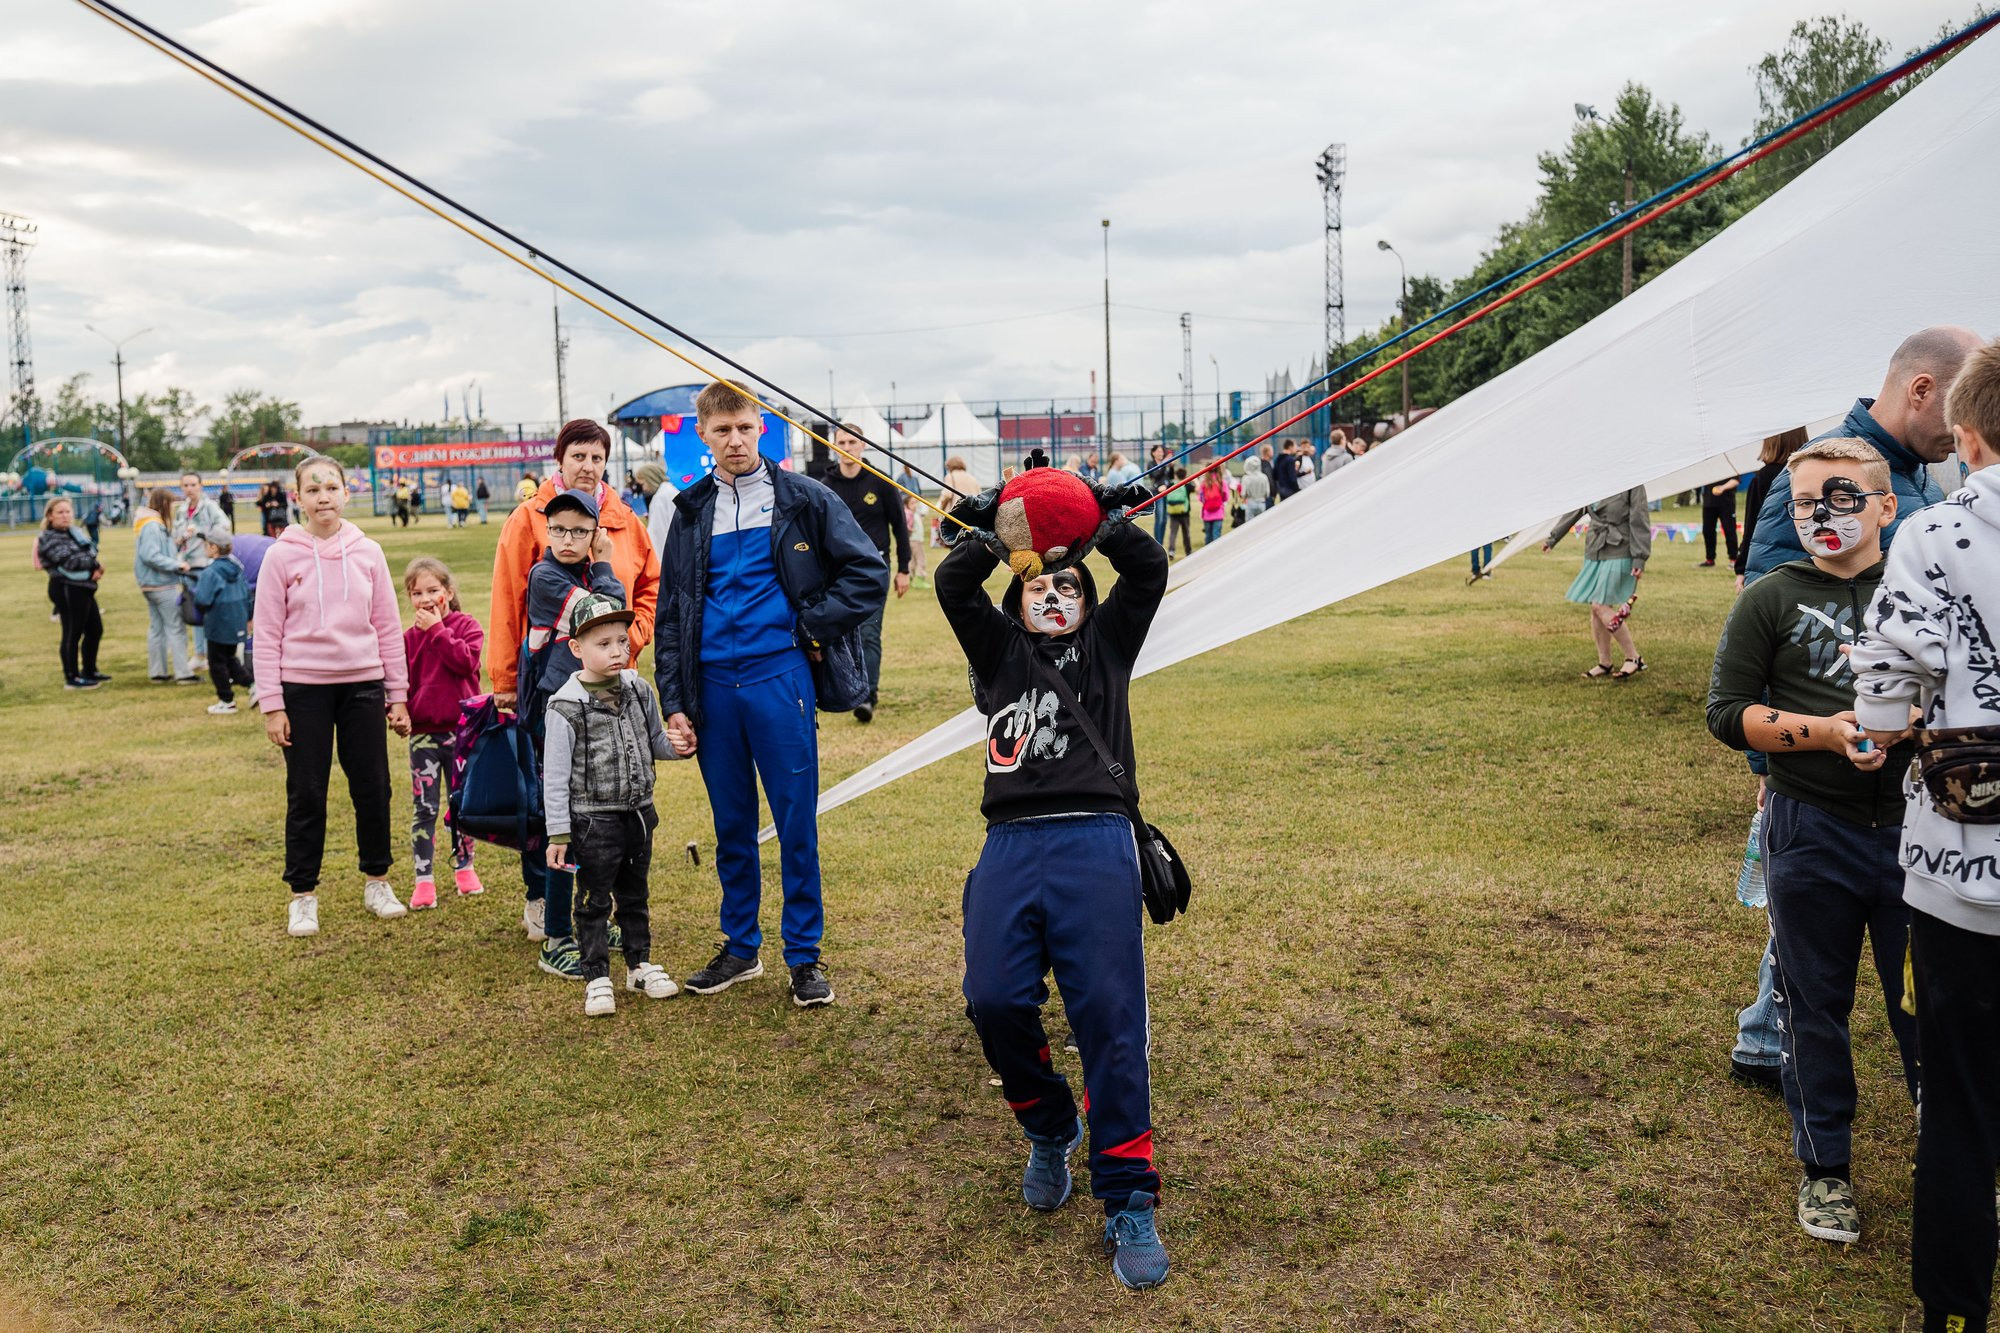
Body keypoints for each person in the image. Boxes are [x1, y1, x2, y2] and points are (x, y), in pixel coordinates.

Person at [934, 481, 1173, 1290]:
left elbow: (1147, 571)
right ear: (1020, 596)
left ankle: (1128, 1196)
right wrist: (998, 529)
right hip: (1010, 841)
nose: (1054, 594)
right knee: (992, 997)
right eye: (1040, 584)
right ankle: (1048, 1123)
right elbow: (950, 583)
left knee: (1108, 1015)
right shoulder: (996, 650)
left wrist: (1094, 518)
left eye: (1067, 585)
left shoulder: (1111, 643)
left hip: (1097, 838)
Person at [1706, 436, 1920, 1247]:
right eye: (1803, 504)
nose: (1820, 516)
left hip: (1916, 830)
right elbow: (1728, 711)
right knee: (1814, 1005)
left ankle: (1952, 1154)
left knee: (1926, 1002)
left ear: (1886, 506)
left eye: (1841, 498)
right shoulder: (1768, 597)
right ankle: (1826, 1169)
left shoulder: (1921, 589)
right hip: (1809, 829)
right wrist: (1822, 734)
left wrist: (1915, 728)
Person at [1851, 339, 2000, 1333]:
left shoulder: (1934, 532)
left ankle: (1948, 1312)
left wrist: (1879, 729)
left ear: (1965, 431)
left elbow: (1880, 694)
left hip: (1965, 873)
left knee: (1956, 1104)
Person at [654, 380, 885, 1009]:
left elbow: (869, 573)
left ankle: (804, 957)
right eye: (722, 430)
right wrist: (673, 697)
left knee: (794, 823)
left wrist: (810, 623)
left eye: (745, 428)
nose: (734, 440)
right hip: (712, 690)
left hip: (779, 681)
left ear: (763, 430)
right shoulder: (689, 509)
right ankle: (740, 947)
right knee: (732, 824)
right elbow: (671, 611)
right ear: (702, 434)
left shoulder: (805, 498)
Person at [489, 420, 661, 949]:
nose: (587, 466)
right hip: (554, 686)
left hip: (612, 684)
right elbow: (508, 601)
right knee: (551, 796)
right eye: (577, 456)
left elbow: (651, 586)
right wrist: (504, 678)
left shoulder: (624, 520)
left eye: (596, 457)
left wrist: (628, 641)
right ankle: (543, 900)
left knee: (601, 796)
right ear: (558, 460)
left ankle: (594, 903)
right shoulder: (531, 518)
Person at [254, 456, 413, 938]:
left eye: (332, 487)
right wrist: (272, 704)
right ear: (297, 498)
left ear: (347, 493)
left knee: (374, 787)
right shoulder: (281, 555)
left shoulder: (368, 552)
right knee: (306, 793)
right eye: (313, 489)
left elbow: (387, 626)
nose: (324, 496)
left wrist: (397, 694)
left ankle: (377, 881)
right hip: (303, 689)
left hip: (362, 684)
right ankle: (303, 896)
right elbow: (266, 632)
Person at [543, 593, 691, 1017]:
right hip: (593, 821)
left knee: (634, 894)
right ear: (577, 648)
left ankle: (639, 965)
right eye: (602, 643)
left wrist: (677, 747)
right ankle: (596, 976)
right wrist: (558, 832)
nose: (616, 652)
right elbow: (554, 776)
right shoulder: (564, 705)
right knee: (593, 900)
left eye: (621, 642)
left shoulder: (640, 690)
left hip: (640, 814)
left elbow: (654, 741)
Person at [1742, 327, 1985, 580]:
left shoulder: (1922, 475)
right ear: (1921, 390)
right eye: (1964, 409)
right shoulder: (1818, 467)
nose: (1966, 430)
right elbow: (1765, 599)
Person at [517, 488, 629, 978]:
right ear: (546, 530)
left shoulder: (584, 573)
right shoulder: (544, 575)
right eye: (558, 528)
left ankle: (592, 920)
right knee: (563, 816)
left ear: (594, 533)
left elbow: (617, 623)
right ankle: (557, 934)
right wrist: (605, 566)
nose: (567, 538)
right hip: (555, 709)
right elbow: (606, 616)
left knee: (597, 816)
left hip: (590, 705)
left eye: (579, 531)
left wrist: (602, 574)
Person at [402, 556, 486, 913]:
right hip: (423, 735)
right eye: (417, 592)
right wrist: (399, 710)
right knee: (425, 807)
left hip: (463, 732)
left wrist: (437, 630)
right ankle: (424, 878)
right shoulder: (407, 639)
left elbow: (466, 662)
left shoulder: (467, 626)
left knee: (462, 805)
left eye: (433, 590)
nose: (425, 599)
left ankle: (465, 866)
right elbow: (400, 682)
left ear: (448, 593)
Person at [822, 422, 913, 723]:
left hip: (875, 568)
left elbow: (900, 528)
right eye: (841, 443)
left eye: (852, 442)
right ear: (834, 447)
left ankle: (867, 697)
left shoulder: (880, 482)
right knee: (843, 634)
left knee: (870, 632)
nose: (846, 448)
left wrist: (903, 569)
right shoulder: (826, 485)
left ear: (863, 445)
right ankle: (847, 689)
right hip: (838, 571)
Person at [1543, 487, 1650, 680]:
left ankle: (1633, 657)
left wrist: (1640, 557)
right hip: (1596, 549)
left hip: (1620, 548)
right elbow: (1576, 509)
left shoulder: (1633, 482)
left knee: (1599, 606)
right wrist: (1553, 538)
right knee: (1596, 608)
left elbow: (1639, 518)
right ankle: (1605, 662)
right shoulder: (1596, 477)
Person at [37, 497, 107, 690]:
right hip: (66, 588)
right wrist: (95, 564)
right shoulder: (48, 537)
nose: (65, 516)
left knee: (95, 629)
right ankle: (72, 677)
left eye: (68, 511)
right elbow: (69, 561)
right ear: (50, 516)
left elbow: (89, 552)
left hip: (84, 587)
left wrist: (93, 563)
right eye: (60, 512)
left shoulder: (74, 533)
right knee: (72, 632)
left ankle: (89, 670)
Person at [134, 487, 196, 685]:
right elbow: (151, 555)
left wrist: (181, 540)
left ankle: (158, 671)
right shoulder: (153, 525)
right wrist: (177, 564)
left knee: (157, 628)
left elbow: (160, 551)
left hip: (151, 584)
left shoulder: (149, 524)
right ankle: (183, 673)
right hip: (161, 583)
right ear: (163, 504)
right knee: (175, 627)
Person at [1734, 427, 1809, 586]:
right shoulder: (1813, 472)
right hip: (1809, 560)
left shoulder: (1763, 477)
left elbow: (1752, 526)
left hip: (1770, 563)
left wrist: (1741, 569)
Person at [191, 528, 253, 715]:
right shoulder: (238, 568)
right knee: (230, 659)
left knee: (217, 663)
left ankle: (226, 700)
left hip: (218, 624)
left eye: (206, 544)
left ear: (214, 548)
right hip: (236, 622)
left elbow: (202, 599)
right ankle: (253, 683)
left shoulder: (211, 572)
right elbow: (247, 595)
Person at [630, 460, 678, 565]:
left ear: (650, 479)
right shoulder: (671, 491)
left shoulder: (659, 498)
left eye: (643, 484)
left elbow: (657, 535)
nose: (643, 488)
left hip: (666, 561)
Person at [1699, 474, 1740, 568]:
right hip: (1709, 503)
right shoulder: (1708, 465)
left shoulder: (1729, 463)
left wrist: (1722, 488)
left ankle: (1733, 560)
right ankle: (1710, 560)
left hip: (1726, 503)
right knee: (1707, 531)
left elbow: (1736, 480)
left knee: (1729, 530)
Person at [1161, 467, 1193, 557]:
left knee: (1173, 533)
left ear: (1175, 475)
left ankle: (1171, 550)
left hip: (1173, 512)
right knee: (1186, 532)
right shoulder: (1187, 485)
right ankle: (1188, 551)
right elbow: (1197, 489)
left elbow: (1162, 489)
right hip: (1184, 513)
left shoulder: (1171, 484)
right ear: (1185, 475)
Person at [1198, 467, 1228, 545]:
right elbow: (1226, 497)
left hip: (1207, 513)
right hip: (1218, 513)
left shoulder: (1204, 483)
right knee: (1216, 536)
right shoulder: (1222, 482)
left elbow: (1200, 498)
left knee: (1208, 536)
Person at [1240, 455, 1270, 521]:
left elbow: (1243, 494)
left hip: (1250, 503)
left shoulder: (1246, 478)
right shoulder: (1264, 477)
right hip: (1262, 503)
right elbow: (1267, 493)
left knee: (1250, 526)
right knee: (1261, 524)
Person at [1270, 438, 1301, 502]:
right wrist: (1297, 490)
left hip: (1281, 490)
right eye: (1295, 446)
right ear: (1290, 447)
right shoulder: (1290, 460)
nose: (1297, 449)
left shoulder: (1278, 459)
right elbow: (1292, 478)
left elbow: (1274, 475)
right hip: (1289, 491)